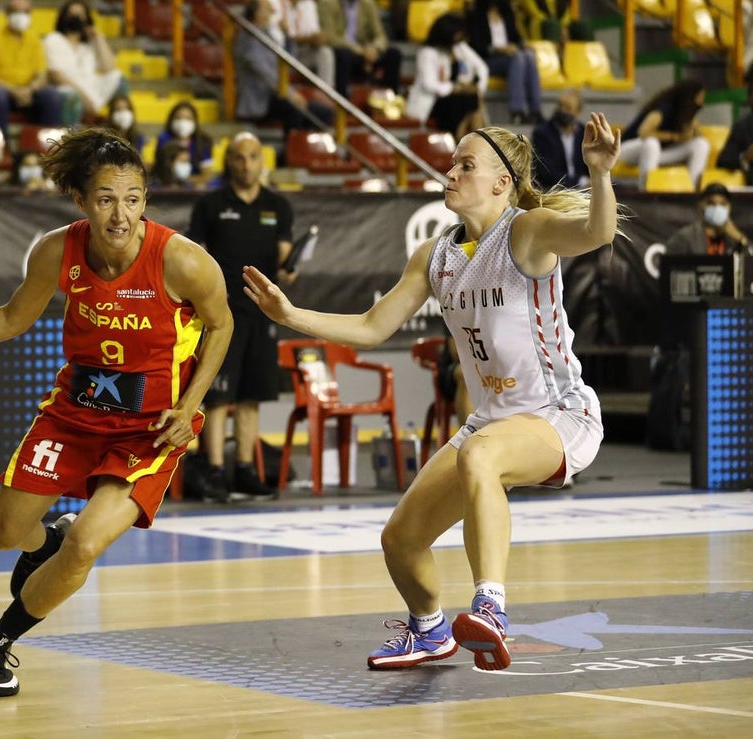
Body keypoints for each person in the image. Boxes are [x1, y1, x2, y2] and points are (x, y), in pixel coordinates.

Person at [243, 114, 622, 671]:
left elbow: (599, 233)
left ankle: (491, 608)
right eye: (452, 162)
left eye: (466, 165)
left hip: (559, 414)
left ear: (501, 184)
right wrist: (291, 314)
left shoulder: (528, 230)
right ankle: (429, 631)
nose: (450, 172)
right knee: (399, 539)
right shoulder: (435, 255)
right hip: (490, 425)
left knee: (480, 454)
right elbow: (374, 327)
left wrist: (601, 174)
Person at [0, 128, 232, 698]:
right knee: (4, 534)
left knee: (86, 544)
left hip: (149, 429)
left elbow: (222, 325)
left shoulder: (183, 262)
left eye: (132, 198)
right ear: (81, 200)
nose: (120, 214)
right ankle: (45, 545)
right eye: (105, 199)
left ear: (145, 199)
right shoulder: (57, 250)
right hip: (73, 414)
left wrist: (189, 406)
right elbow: (11, 317)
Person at [188, 131, 297, 502]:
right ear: (229, 161)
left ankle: (245, 471)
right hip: (222, 313)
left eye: (253, 157)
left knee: (252, 396)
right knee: (218, 397)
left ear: (262, 162)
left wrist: (288, 270)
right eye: (239, 157)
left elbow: (284, 259)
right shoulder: (210, 204)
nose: (246, 164)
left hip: (263, 314)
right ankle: (215, 470)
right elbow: (195, 256)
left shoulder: (277, 206)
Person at [235, 0, 335, 135]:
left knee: (326, 114)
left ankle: (307, 147)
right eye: (267, 9)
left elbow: (288, 60)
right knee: (294, 109)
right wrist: (290, 93)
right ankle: (292, 150)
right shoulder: (247, 39)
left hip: (278, 95)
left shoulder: (266, 35)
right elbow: (266, 73)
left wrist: (287, 37)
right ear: (256, 14)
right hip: (260, 99)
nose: (272, 12)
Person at [0, 0, 65, 135]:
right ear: (7, 13)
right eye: (16, 11)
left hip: (26, 92)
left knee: (52, 95)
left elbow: (41, 74)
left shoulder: (33, 38)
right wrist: (13, 90)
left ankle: (46, 148)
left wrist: (29, 89)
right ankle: (5, 147)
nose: (21, 16)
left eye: (25, 12)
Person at [405, 13, 488, 140]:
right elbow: (429, 84)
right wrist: (455, 88)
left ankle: (477, 141)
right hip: (434, 101)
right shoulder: (427, 53)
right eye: (457, 33)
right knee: (464, 101)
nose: (460, 37)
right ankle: (467, 140)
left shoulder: (459, 47)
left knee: (472, 98)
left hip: (457, 99)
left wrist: (478, 88)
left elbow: (482, 68)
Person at [618, 79, 710, 191]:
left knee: (701, 144)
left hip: (658, 154)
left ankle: (693, 189)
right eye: (699, 98)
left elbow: (696, 134)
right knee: (652, 143)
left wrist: (692, 131)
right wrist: (675, 137)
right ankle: (646, 190)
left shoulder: (686, 114)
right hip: (630, 150)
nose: (701, 103)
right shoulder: (663, 109)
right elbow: (643, 132)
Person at [42, 0, 126, 124]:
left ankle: (120, 130)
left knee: (120, 80)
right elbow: (56, 75)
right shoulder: (53, 40)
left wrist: (99, 38)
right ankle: (72, 138)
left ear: (87, 19)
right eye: (72, 15)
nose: (76, 18)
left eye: (80, 15)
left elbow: (109, 68)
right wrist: (84, 98)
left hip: (91, 90)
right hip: (66, 91)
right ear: (64, 17)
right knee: (72, 98)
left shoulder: (89, 45)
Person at [466, 0, 543, 125]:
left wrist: (524, 45)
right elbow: (476, 46)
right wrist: (498, 48)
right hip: (487, 59)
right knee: (518, 57)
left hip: (509, 58)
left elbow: (516, 38)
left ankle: (535, 111)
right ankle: (517, 111)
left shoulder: (508, 14)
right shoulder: (475, 15)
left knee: (528, 55)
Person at [317, 0, 402, 98]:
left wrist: (375, 48)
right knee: (344, 55)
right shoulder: (327, 3)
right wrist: (361, 51)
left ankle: (390, 99)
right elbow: (329, 36)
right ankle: (341, 101)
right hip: (344, 52)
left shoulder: (368, 4)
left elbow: (380, 35)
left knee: (394, 54)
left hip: (367, 53)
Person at [666, 183, 748, 257]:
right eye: (711, 203)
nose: (717, 208)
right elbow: (670, 269)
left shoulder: (735, 241)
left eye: (723, 204)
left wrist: (740, 239)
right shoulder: (684, 238)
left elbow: (752, 268)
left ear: (730, 207)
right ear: (701, 206)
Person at [530, 88, 589, 189]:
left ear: (577, 112)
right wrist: (580, 181)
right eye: (560, 105)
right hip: (554, 190)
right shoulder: (542, 133)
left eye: (568, 108)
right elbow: (547, 171)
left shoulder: (584, 133)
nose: (563, 110)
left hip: (583, 190)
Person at [154, 101, 214, 184]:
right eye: (178, 118)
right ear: (171, 120)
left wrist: (188, 181)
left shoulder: (203, 141)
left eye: (188, 118)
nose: (183, 122)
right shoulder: (163, 139)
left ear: (195, 121)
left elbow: (206, 175)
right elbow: (160, 169)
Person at [282, 0, 335, 90]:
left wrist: (319, 39)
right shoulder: (280, 3)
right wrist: (308, 39)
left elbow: (314, 32)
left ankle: (326, 94)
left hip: (303, 52)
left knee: (325, 52)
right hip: (285, 53)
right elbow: (288, 37)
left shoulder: (309, 4)